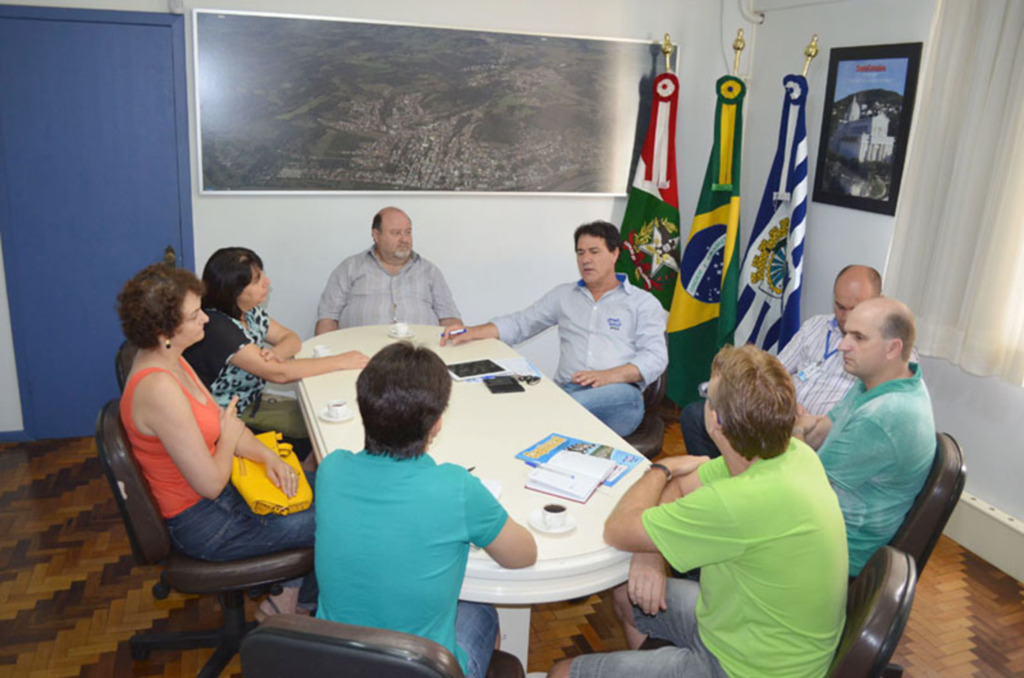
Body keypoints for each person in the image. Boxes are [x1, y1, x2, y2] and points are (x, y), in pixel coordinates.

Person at [548, 345, 848, 678]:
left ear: (715, 419)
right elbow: (679, 491)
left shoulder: (736, 501)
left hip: (745, 669)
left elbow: (618, 528)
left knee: (561, 672)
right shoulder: (789, 452)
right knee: (626, 589)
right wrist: (649, 550)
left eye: (707, 392)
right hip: (756, 634)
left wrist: (661, 469)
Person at [315, 342, 537, 678]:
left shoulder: (331, 470)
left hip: (336, 665)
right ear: (436, 424)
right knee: (483, 611)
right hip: (422, 671)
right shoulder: (457, 487)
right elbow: (522, 556)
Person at [116, 263, 316, 617]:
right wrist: (231, 432)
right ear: (165, 329)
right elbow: (210, 481)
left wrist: (268, 458)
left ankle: (296, 603)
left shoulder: (173, 359)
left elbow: (225, 428)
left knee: (333, 487)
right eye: (195, 316)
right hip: (205, 522)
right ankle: (294, 610)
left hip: (226, 493)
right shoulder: (158, 386)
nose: (206, 320)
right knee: (339, 514)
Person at [442, 221, 667, 437]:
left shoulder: (642, 303)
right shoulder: (564, 296)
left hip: (619, 396)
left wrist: (608, 376)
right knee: (511, 397)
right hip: (567, 389)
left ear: (615, 254)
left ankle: (547, 412)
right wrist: (471, 331)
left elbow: (656, 357)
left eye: (594, 251)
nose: (586, 259)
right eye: (580, 253)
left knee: (552, 407)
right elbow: (521, 323)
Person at [680, 264, 882, 458]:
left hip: (815, 433)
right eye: (840, 306)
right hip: (775, 414)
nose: (845, 317)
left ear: (878, 302)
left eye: (854, 308)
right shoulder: (816, 326)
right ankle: (726, 483)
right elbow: (775, 370)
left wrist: (808, 422)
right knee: (696, 415)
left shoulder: (880, 350)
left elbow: (860, 416)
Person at [797, 296, 936, 576]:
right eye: (845, 333)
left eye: (858, 337)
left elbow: (801, 487)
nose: (842, 345)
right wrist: (796, 425)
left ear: (892, 348)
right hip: (821, 519)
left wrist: (794, 430)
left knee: (716, 509)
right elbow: (824, 427)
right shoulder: (881, 381)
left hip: (832, 554)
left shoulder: (885, 416)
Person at [185, 247, 368, 456]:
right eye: (256, 280)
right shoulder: (217, 326)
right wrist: (341, 361)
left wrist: (277, 353)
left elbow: (291, 338)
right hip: (225, 419)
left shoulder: (249, 312)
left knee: (314, 419)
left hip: (250, 404)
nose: (267, 282)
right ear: (233, 290)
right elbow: (279, 374)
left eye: (262, 274)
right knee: (314, 432)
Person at [315, 207, 462, 334]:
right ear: (376, 235)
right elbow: (327, 319)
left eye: (408, 232)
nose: (404, 239)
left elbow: (450, 318)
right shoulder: (350, 268)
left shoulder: (430, 271)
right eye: (396, 233)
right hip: (361, 358)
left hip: (420, 357)